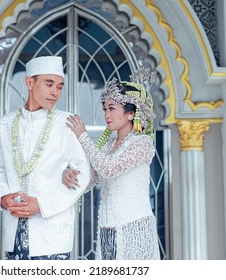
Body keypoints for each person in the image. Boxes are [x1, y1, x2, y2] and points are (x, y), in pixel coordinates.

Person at [0, 56, 91, 260]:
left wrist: (42, 205)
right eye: (49, 84)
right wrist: (4, 197)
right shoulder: (5, 124)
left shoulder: (66, 123)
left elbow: (83, 174)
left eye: (60, 86)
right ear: (30, 82)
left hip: (53, 232)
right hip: (14, 230)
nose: (55, 92)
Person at [63, 68, 160, 260]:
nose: (107, 114)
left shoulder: (142, 143)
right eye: (105, 109)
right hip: (107, 229)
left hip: (134, 228)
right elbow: (90, 181)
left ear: (131, 114)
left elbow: (108, 169)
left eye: (112, 108)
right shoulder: (107, 147)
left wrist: (83, 136)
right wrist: (70, 175)